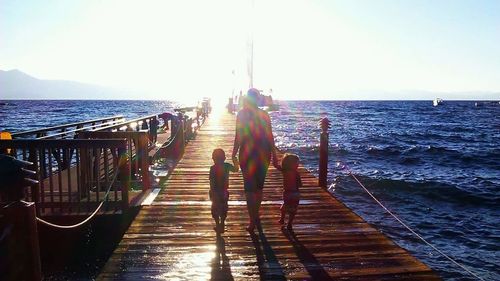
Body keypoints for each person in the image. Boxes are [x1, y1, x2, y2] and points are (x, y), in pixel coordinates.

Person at [231, 88, 279, 232]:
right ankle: (254, 216)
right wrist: (275, 155)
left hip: (247, 153)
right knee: (258, 188)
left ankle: (253, 219)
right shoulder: (264, 114)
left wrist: (233, 153)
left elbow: (238, 135)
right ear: (257, 99)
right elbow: (270, 135)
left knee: (250, 189)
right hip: (263, 153)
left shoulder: (241, 115)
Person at [209, 148, 239, 234]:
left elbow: (211, 181)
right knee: (224, 208)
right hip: (224, 191)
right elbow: (236, 169)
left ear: (213, 159)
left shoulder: (212, 168)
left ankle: (218, 224)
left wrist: (212, 192)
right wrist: (235, 161)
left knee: (214, 209)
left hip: (215, 191)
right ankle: (222, 223)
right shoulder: (227, 166)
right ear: (224, 158)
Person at [277, 153, 302, 230]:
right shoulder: (296, 173)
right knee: (293, 209)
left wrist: (274, 159)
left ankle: (282, 219)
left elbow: (277, 166)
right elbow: (300, 184)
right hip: (295, 193)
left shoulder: (285, 171)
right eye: (297, 163)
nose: (298, 165)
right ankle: (289, 223)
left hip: (287, 192)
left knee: (285, 206)